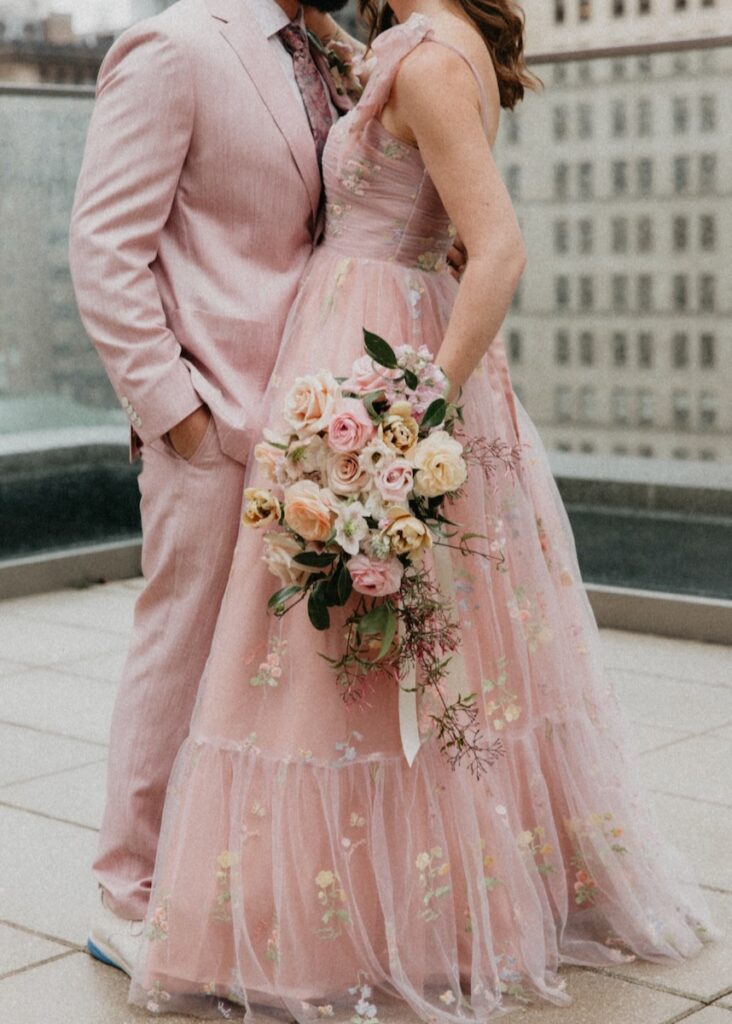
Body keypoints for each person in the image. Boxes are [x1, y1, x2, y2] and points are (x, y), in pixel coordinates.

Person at [128, 0, 718, 1019]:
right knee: (399, 645)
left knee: (342, 651)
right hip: (369, 329)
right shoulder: (421, 44)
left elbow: (498, 251)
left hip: (379, 355)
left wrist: (410, 412)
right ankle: (395, 891)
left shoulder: (435, 58)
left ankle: (358, 911)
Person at [68, 0, 383, 975]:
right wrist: (180, 416)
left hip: (306, 421)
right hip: (209, 423)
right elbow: (104, 248)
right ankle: (128, 891)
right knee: (178, 649)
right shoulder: (174, 48)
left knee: (263, 668)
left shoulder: (324, 53)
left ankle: (220, 873)